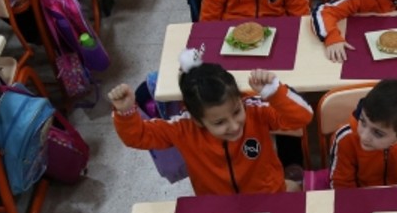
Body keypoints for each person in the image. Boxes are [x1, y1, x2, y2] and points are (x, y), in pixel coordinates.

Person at [109, 49, 313, 195]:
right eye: (219, 122)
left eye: (236, 111)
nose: (234, 126)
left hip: (268, 195)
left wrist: (275, 92)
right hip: (217, 208)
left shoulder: (254, 109)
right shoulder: (183, 128)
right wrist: (126, 112)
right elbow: (138, 137)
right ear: (198, 120)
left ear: (240, 99)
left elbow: (302, 118)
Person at [329, 79, 397, 189]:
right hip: (361, 196)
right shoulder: (345, 138)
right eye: (363, 121)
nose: (364, 136)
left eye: (378, 133)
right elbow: (341, 186)